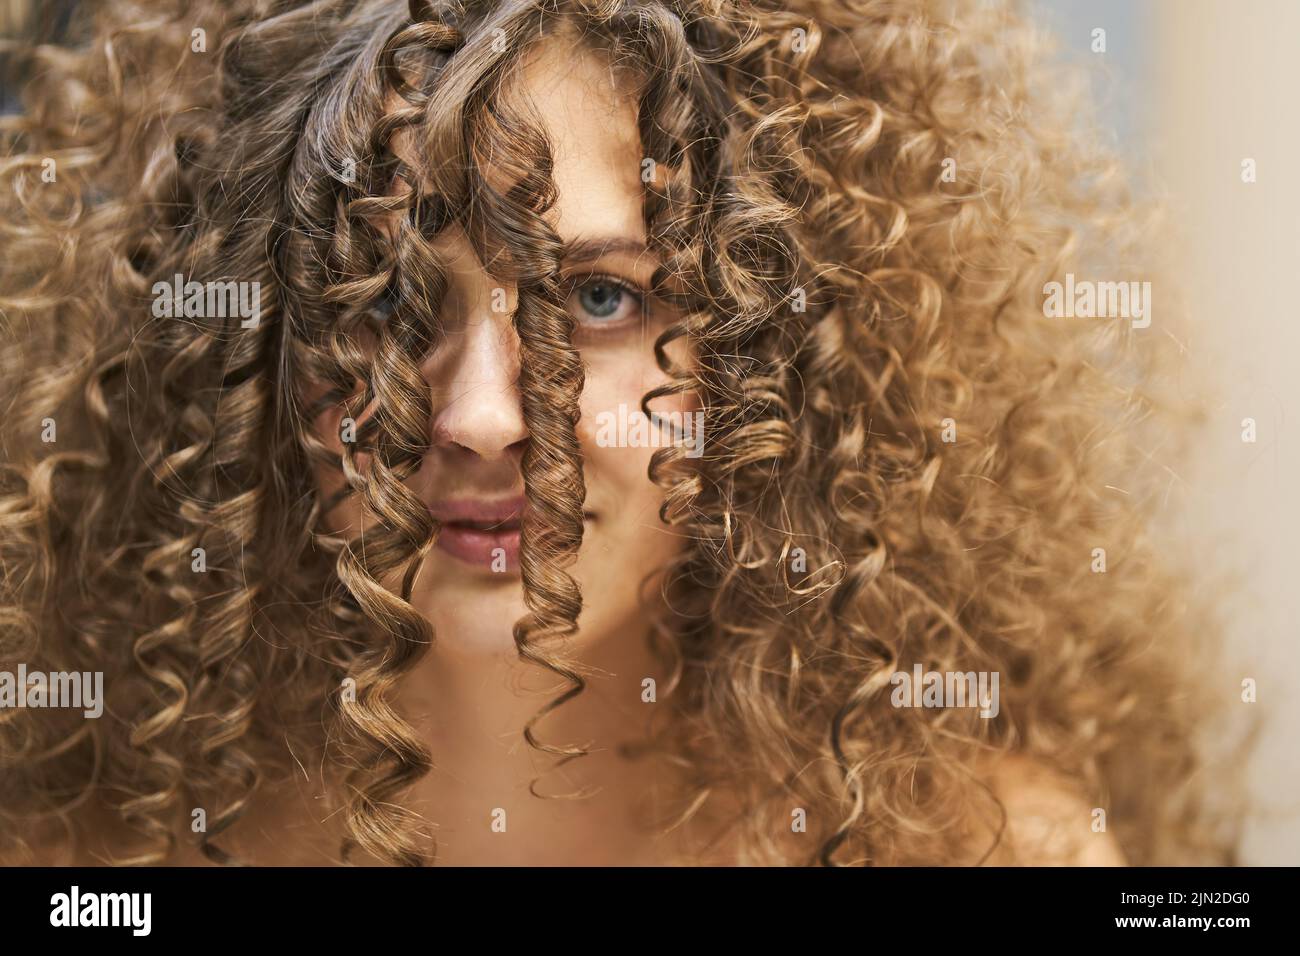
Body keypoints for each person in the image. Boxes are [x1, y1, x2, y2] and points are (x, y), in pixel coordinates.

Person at [0, 0, 1234, 866]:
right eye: (386, 296)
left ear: (775, 350)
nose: (481, 416)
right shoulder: (88, 864)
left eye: (602, 298)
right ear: (245, 345)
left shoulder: (984, 850)